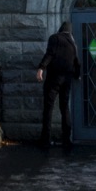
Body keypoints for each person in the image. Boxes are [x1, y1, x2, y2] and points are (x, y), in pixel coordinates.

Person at [36, 20, 81, 150]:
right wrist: (77, 75)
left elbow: (50, 54)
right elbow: (77, 61)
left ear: (60, 29)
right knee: (64, 107)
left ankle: (45, 139)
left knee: (48, 108)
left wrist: (41, 68)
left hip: (53, 79)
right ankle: (66, 139)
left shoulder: (55, 38)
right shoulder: (73, 44)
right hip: (66, 79)